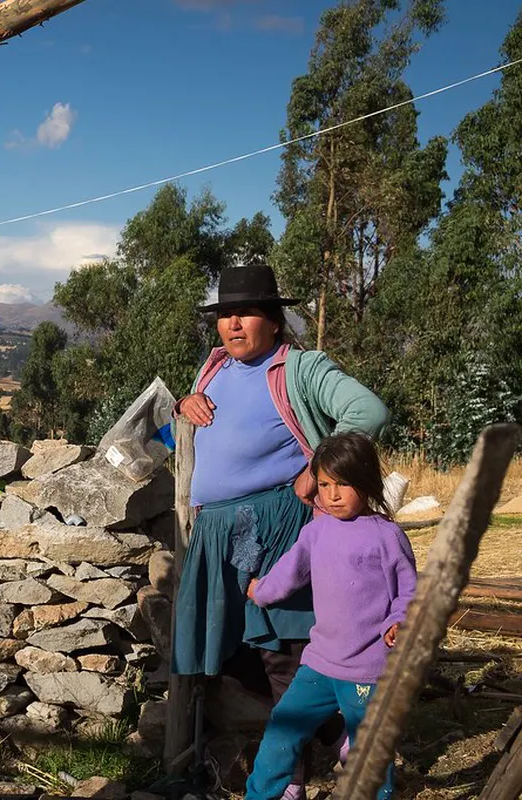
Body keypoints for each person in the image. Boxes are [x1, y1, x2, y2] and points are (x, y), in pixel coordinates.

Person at [171, 264, 389, 798]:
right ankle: (331, 735)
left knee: (282, 650)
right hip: (217, 532)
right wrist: (182, 405)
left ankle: (295, 774)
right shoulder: (214, 368)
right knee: (232, 653)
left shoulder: (300, 369)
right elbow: (180, 434)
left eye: (245, 313)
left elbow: (369, 411)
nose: (234, 324)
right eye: (225, 315)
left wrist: (317, 473)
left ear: (272, 319)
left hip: (273, 526)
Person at [245, 432, 416, 800]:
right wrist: (260, 591)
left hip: (368, 669)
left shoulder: (387, 536)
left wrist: (399, 621)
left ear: (367, 482)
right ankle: (260, 794)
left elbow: (409, 592)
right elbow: (288, 572)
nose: (333, 494)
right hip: (319, 663)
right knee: (282, 730)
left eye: (343, 483)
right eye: (324, 484)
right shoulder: (315, 531)